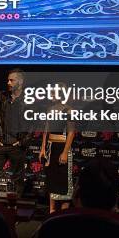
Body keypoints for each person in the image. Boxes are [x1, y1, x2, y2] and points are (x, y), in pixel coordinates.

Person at [0, 68, 31, 197]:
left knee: (17, 179)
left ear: (20, 82)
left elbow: (33, 125)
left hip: (16, 145)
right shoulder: (2, 96)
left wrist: (22, 142)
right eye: (8, 80)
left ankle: (16, 208)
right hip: (1, 144)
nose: (8, 83)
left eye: (12, 80)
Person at [40, 82, 76, 212]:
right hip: (51, 148)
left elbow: (71, 132)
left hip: (62, 147)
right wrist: (43, 148)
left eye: (54, 92)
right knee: (52, 181)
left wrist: (65, 152)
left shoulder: (69, 110)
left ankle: (62, 214)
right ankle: (51, 212)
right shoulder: (50, 109)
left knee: (63, 182)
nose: (51, 94)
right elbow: (46, 130)